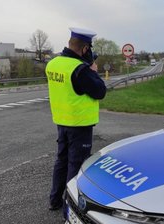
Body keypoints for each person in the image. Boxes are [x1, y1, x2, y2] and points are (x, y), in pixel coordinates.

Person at [46, 27, 107, 211]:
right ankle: (70, 210)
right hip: (79, 126)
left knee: (61, 162)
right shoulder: (81, 70)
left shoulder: (53, 64)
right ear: (85, 49)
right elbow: (100, 91)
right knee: (76, 167)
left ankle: (55, 201)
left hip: (61, 122)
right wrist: (94, 71)